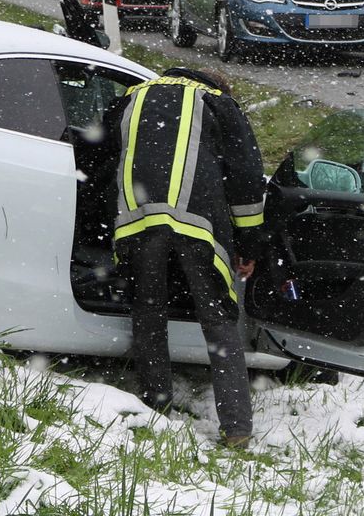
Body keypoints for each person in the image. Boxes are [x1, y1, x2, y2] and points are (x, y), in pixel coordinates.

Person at [100, 67, 267, 447]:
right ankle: (237, 428)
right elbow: (246, 177)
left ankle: (156, 410)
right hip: (197, 225)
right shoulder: (218, 103)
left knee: (148, 312)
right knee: (219, 320)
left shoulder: (131, 97)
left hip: (137, 221)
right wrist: (250, 243)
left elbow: (100, 157)